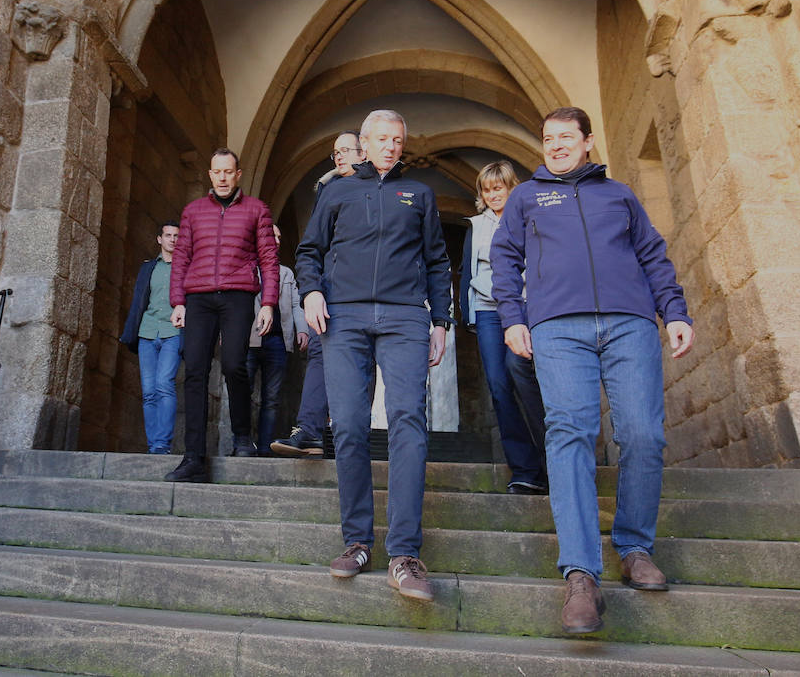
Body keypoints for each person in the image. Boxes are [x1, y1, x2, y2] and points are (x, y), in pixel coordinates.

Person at [491, 107, 694, 636]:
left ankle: (635, 547)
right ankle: (581, 573)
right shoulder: (527, 197)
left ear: (587, 142)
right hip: (558, 327)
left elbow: (652, 254)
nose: (555, 145)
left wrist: (673, 311)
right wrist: (513, 318)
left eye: (565, 137)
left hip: (629, 323)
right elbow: (504, 257)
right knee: (570, 433)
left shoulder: (619, 195)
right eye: (547, 138)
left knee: (644, 436)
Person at [296, 110, 451, 603]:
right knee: (348, 424)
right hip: (343, 316)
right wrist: (310, 293)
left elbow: (437, 261)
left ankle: (404, 553)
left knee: (409, 420)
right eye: (381, 138)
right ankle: (358, 541)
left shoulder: (419, 195)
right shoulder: (336, 192)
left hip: (406, 315)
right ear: (364, 143)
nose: (390, 145)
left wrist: (441, 320)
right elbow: (309, 251)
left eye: (398, 139)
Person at [165, 148, 279, 482]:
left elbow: (268, 259)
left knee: (233, 364)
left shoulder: (257, 210)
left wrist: (268, 302)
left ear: (238, 174)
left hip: (238, 296)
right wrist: (178, 302)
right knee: (196, 371)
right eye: (217, 172)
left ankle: (243, 437)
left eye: (229, 172)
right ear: (210, 175)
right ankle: (193, 457)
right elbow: (181, 256)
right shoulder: (192, 211)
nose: (223, 178)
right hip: (198, 297)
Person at [458, 161, 547, 494]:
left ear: (512, 187)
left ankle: (552, 456)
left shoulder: (530, 217)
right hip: (487, 310)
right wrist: (468, 314)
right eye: (487, 189)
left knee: (520, 370)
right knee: (498, 386)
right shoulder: (475, 225)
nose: (493, 194)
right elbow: (468, 271)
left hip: (525, 306)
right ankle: (524, 468)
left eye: (499, 187)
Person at [272, 131, 363, 457]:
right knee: (320, 357)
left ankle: (351, 437)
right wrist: (312, 289)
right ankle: (309, 430)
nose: (339, 157)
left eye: (346, 150)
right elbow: (313, 247)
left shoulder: (379, 189)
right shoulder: (329, 190)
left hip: (366, 296)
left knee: (361, 364)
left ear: (363, 153)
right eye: (335, 152)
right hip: (328, 291)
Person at [117, 221, 183, 455]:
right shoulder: (148, 268)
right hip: (146, 332)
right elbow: (138, 302)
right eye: (168, 235)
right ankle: (153, 445)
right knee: (148, 391)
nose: (172, 239)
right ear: (159, 239)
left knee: (164, 385)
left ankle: (162, 445)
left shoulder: (186, 268)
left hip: (172, 333)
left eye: (176, 235)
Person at [247, 226, 309, 455]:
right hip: (249, 339)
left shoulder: (286, 273)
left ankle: (264, 449)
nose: (277, 240)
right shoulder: (247, 268)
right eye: (272, 235)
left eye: (280, 236)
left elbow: (295, 305)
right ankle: (242, 444)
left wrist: (302, 330)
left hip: (277, 342)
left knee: (271, 399)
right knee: (243, 393)